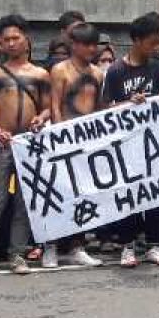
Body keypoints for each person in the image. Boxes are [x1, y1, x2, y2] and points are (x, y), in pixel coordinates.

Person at [0, 14, 52, 275]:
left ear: (27, 40)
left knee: (24, 204)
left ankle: (17, 254)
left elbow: (49, 107)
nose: (11, 44)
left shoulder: (40, 74)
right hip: (3, 144)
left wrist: (41, 117)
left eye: (16, 38)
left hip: (29, 145)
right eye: (6, 40)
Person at [100, 12, 159, 268]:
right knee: (129, 195)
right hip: (127, 145)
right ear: (136, 40)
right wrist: (127, 104)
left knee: (156, 194)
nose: (157, 48)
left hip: (155, 144)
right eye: (152, 42)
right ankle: (128, 245)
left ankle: (155, 245)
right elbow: (105, 110)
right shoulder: (115, 71)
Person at [43, 23, 105, 269]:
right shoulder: (60, 70)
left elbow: (99, 109)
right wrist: (60, 135)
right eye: (86, 44)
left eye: (94, 44)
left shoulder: (98, 74)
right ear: (74, 45)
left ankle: (77, 246)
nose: (91, 49)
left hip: (88, 142)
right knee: (58, 195)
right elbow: (55, 104)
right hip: (64, 139)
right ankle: (51, 246)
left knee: (83, 195)